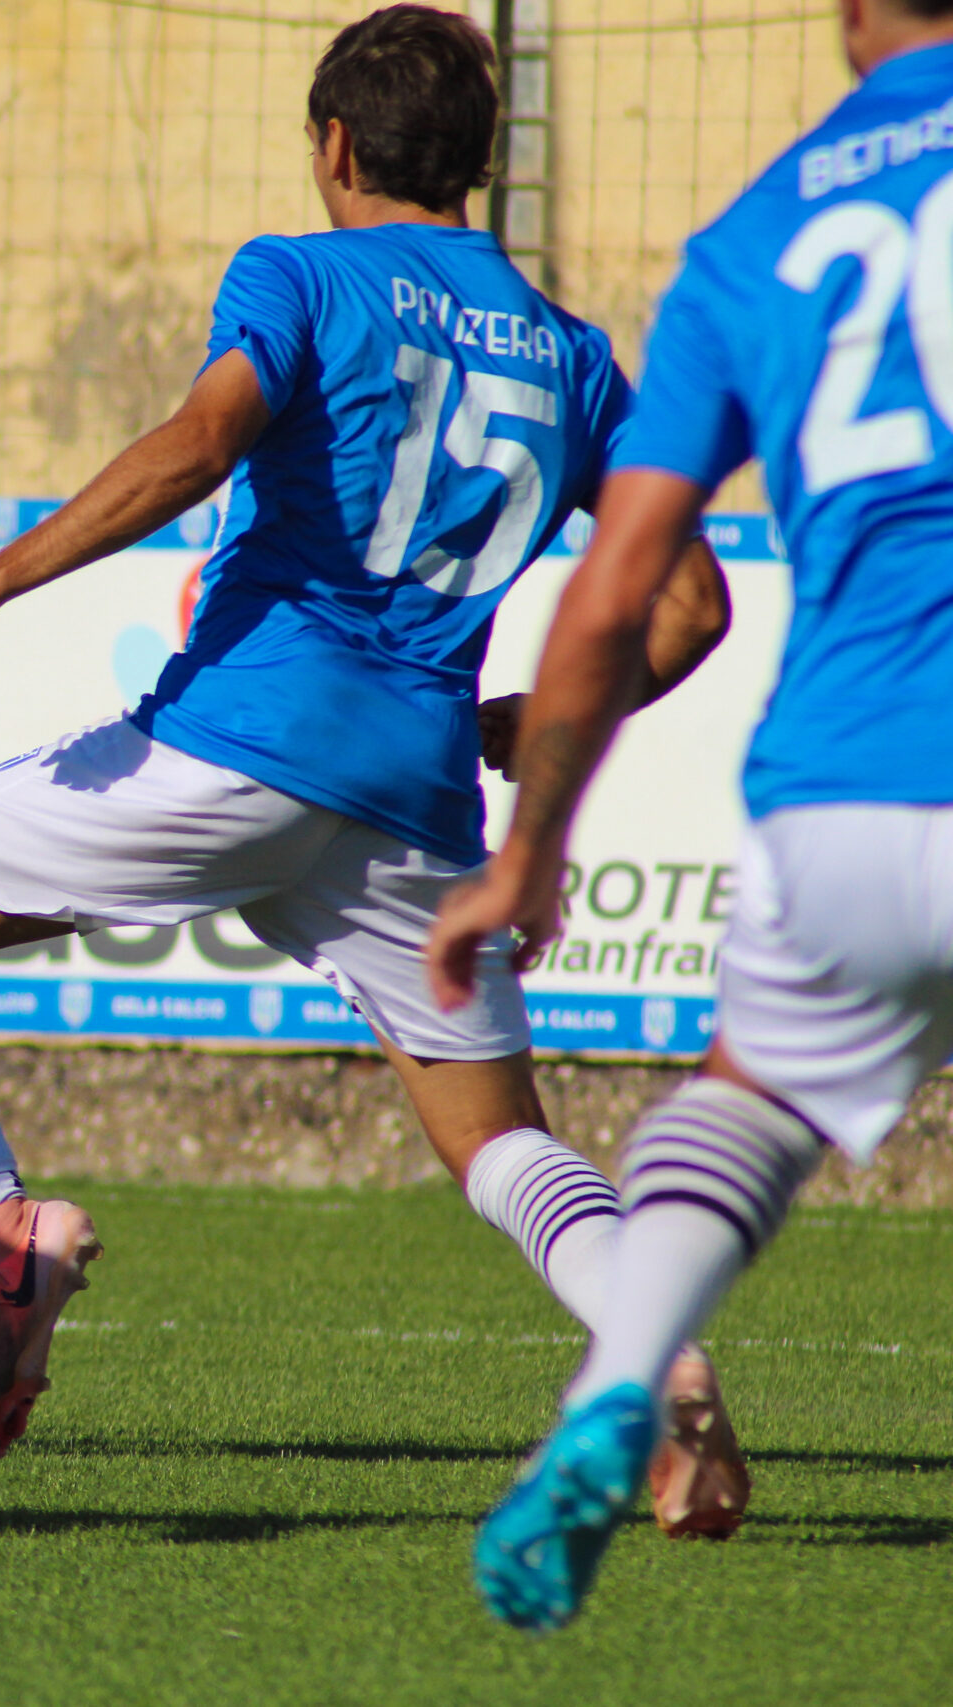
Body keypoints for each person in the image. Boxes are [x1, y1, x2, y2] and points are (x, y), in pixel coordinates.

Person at [0, 5, 745, 1483]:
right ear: (479, 161)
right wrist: (545, 717)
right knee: (499, 1141)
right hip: (416, 792)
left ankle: (3, 1222)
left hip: (241, 739)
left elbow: (200, 443)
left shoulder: (299, 273)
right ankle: (654, 1344)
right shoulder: (572, 355)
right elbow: (693, 607)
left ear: (335, 144)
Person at [435, 0, 953, 1632]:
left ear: (852, 15)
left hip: (845, 789)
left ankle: (623, 1378)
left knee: (741, 1099)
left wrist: (530, 849)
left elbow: (618, 588)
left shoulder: (753, 235)